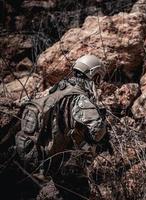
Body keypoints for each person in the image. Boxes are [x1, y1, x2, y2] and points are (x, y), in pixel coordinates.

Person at [15, 54, 108, 200]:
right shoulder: (79, 98)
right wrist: (89, 140)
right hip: (63, 162)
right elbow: (97, 130)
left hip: (38, 154)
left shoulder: (58, 89)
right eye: (98, 78)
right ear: (94, 75)